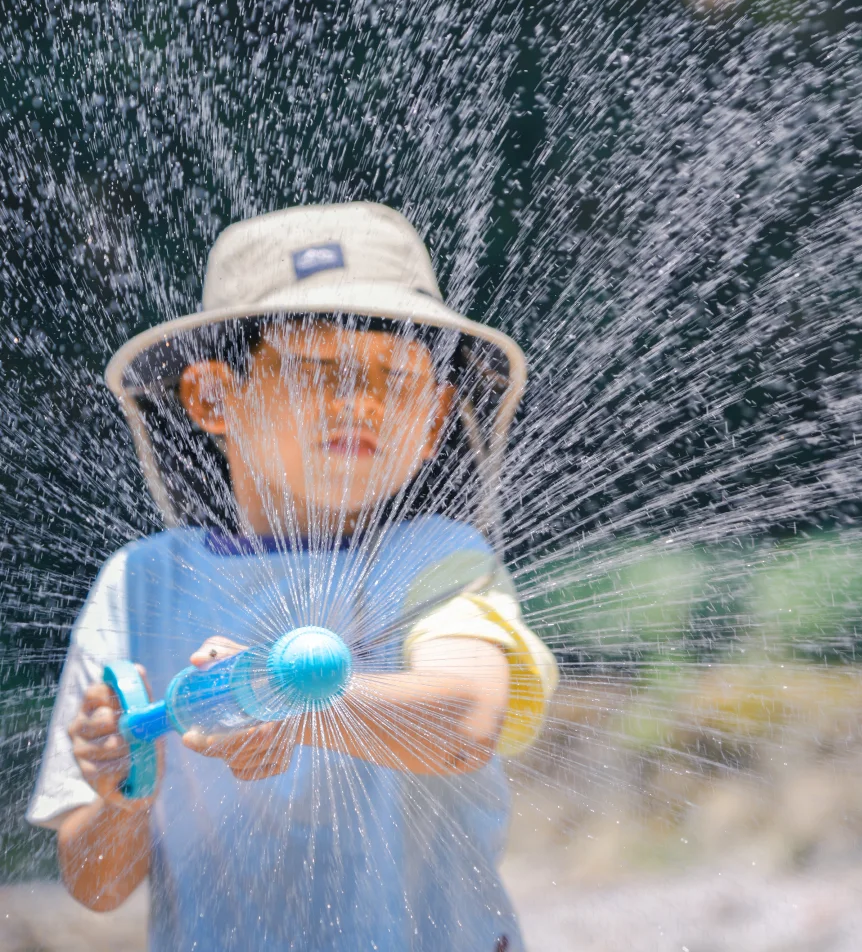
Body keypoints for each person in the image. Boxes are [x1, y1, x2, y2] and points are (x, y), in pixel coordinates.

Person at [27, 202, 557, 952]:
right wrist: (119, 790)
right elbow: (97, 885)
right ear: (213, 397)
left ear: (436, 420)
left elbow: (467, 721)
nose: (361, 400)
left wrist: (293, 706)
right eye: (319, 368)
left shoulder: (440, 559)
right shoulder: (139, 585)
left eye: (395, 378)